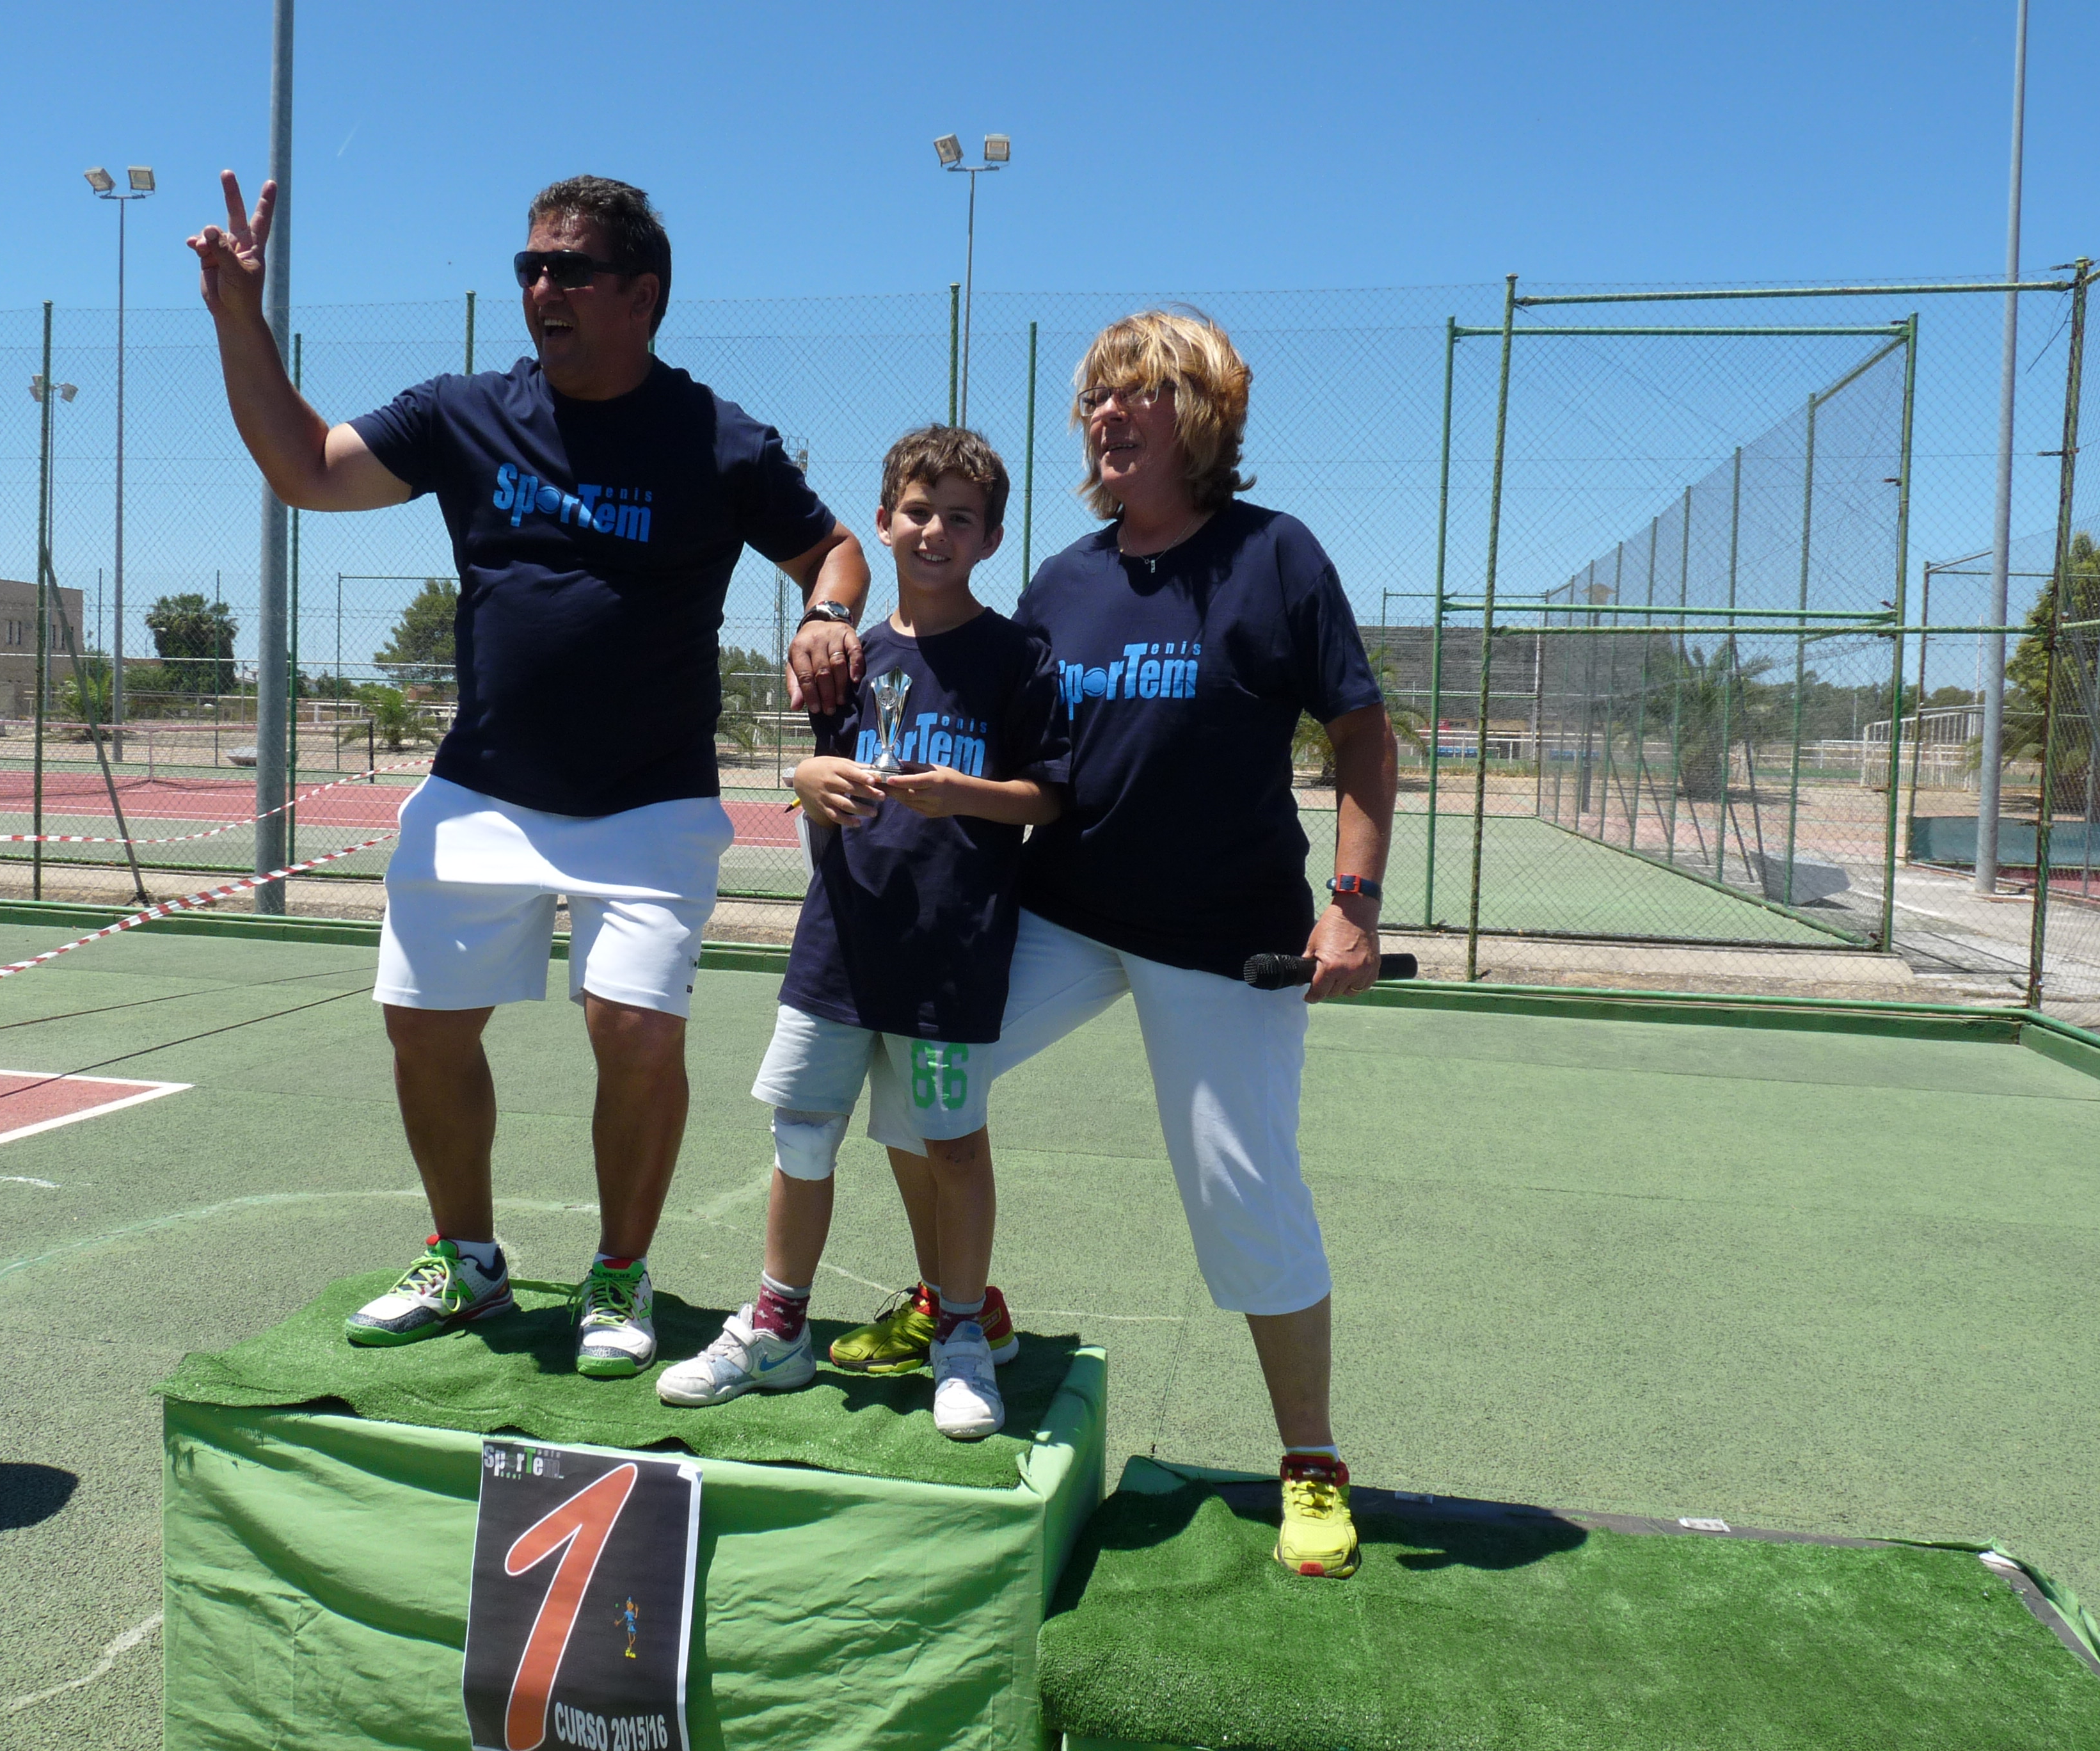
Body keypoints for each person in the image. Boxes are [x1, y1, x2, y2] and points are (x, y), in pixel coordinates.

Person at [187, 173, 869, 1372]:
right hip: (481, 788)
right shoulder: (463, 412)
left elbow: (837, 548)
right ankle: (468, 1260)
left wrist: (826, 613)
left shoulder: (717, 437)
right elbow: (306, 469)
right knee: (422, 1025)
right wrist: (241, 321)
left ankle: (619, 1274)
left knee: (634, 1033)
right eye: (530, 267)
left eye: (570, 268)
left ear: (641, 297)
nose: (541, 287)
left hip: (651, 802)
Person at [838, 312, 1394, 1574]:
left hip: (1223, 938)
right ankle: (962, 1306)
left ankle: (1310, 1460)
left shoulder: (1275, 556)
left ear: (1199, 414)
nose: (1105, 413)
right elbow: (1005, 732)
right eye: (1095, 394)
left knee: (1244, 1194)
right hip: (1068, 911)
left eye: (1135, 391)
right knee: (916, 1078)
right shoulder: (1064, 580)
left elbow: (1362, 734)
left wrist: (1352, 902)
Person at [656, 427, 1069, 1440]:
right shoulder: (848, 655)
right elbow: (821, 777)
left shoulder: (1017, 655)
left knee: (952, 1149)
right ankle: (778, 1329)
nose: (935, 532)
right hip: (838, 946)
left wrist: (963, 794)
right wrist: (803, 778)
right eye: (918, 512)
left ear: (991, 539)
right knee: (802, 1133)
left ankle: (962, 1334)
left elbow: (1050, 797)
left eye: (960, 518)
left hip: (949, 959)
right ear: (883, 522)